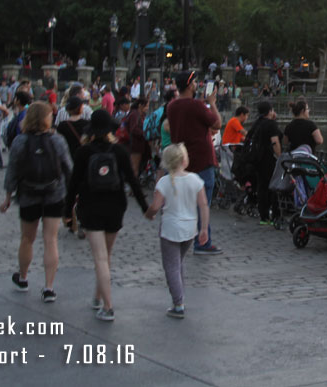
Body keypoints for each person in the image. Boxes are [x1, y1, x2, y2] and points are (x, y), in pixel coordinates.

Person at [66, 110, 148, 321]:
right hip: (115, 207)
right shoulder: (119, 151)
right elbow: (132, 180)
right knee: (106, 256)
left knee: (100, 258)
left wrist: (66, 212)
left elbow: (73, 184)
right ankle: (97, 296)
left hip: (91, 207)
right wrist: (144, 207)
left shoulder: (83, 152)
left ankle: (108, 306)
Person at [0, 102, 73, 303]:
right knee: (51, 240)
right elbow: (68, 168)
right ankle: (49, 287)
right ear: (47, 119)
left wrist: (8, 197)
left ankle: (23, 277)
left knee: (27, 239)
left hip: (28, 194)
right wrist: (73, 195)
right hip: (54, 193)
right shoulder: (57, 141)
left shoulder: (20, 141)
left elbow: (12, 172)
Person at [145, 143, 209, 319]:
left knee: (171, 266)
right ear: (184, 160)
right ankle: (180, 295)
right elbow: (203, 205)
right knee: (179, 262)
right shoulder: (195, 180)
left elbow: (155, 206)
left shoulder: (164, 182)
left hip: (170, 229)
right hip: (189, 228)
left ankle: (178, 303)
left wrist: (149, 213)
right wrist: (204, 228)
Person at [164, 70, 223, 254]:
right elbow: (217, 124)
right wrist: (212, 104)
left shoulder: (172, 106)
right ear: (190, 85)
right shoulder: (196, 106)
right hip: (201, 159)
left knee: (184, 202)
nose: (197, 84)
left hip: (181, 159)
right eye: (195, 82)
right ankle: (203, 242)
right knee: (202, 202)